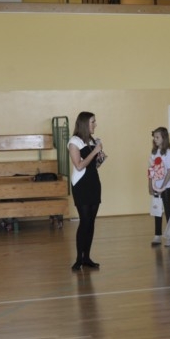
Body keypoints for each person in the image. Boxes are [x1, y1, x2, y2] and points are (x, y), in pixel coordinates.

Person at [68, 111, 106, 271]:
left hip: (93, 182)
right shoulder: (74, 142)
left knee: (91, 222)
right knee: (84, 221)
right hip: (81, 184)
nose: (95, 124)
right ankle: (78, 259)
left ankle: (87, 257)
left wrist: (100, 158)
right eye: (93, 122)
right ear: (85, 123)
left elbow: (93, 165)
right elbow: (78, 165)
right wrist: (95, 151)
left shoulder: (91, 140)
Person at [148, 126, 170, 247]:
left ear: (164, 138)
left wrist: (162, 187)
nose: (155, 139)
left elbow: (169, 171)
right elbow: (151, 169)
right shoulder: (154, 152)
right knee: (157, 209)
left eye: (157, 137)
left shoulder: (168, 152)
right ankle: (157, 235)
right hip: (156, 186)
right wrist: (150, 185)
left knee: (167, 210)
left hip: (166, 187)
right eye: (154, 137)